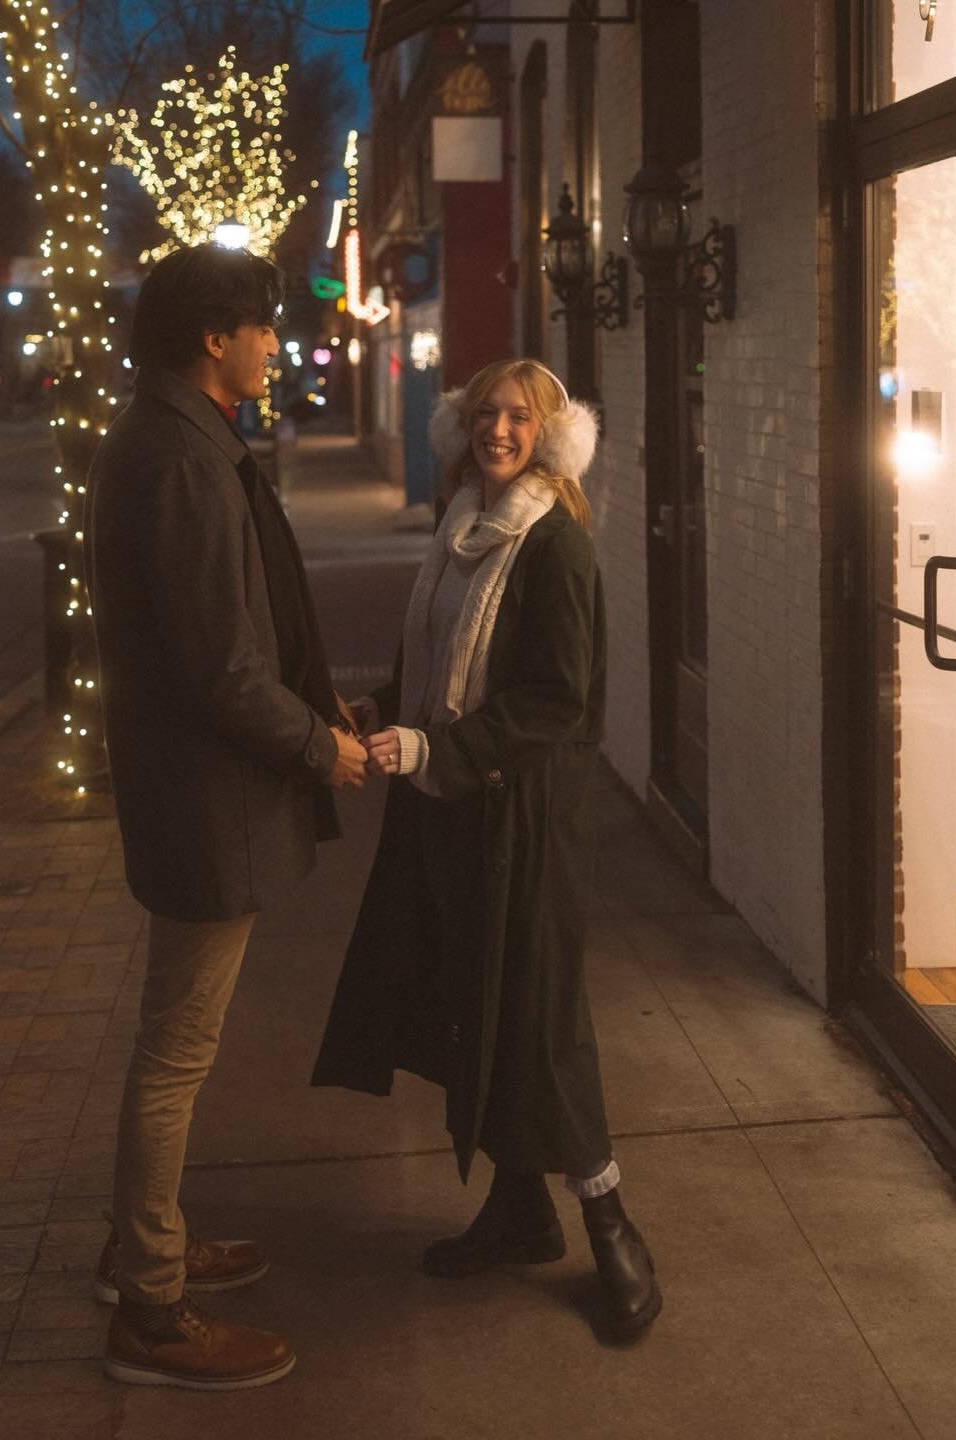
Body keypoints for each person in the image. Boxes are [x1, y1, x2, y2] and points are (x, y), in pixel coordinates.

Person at [312, 358, 661, 1338]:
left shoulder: (553, 543)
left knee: (543, 1019)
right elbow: (437, 642)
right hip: (450, 809)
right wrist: (392, 701)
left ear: (549, 435)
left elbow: (557, 700)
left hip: (524, 824)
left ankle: (612, 1227)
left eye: (517, 417)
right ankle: (517, 1211)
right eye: (482, 415)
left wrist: (436, 745)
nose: (496, 430)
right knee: (478, 1002)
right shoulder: (462, 522)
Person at [84, 243, 368, 1389]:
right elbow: (220, 668)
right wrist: (320, 747)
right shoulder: (185, 460)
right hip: (208, 804)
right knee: (176, 1051)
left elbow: (235, 638)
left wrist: (312, 702)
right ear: (216, 338)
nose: (271, 346)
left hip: (194, 794)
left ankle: (144, 1248)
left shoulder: (173, 439)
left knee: (175, 1044)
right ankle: (150, 1308)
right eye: (259, 329)